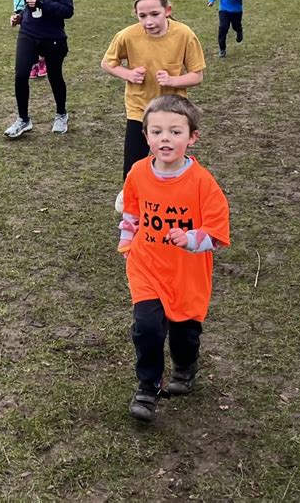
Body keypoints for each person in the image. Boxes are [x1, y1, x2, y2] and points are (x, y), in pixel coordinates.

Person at [117, 95, 230, 422]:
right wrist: (127, 241)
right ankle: (148, 387)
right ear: (146, 136)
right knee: (148, 327)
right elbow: (132, 210)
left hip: (187, 272)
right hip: (147, 265)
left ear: (192, 137)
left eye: (175, 132)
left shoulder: (202, 183)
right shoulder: (138, 171)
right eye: (157, 132)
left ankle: (185, 367)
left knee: (184, 332)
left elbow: (218, 231)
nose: (165, 138)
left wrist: (192, 238)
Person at [100, 0, 206, 212]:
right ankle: (132, 205)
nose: (149, 22)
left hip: (172, 111)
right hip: (140, 109)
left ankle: (167, 201)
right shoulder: (127, 35)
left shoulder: (185, 34)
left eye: (155, 14)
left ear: (167, 10)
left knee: (169, 159)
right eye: (142, 16)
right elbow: (107, 63)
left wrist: (172, 81)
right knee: (134, 163)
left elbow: (197, 76)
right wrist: (127, 73)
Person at [4, 0, 74, 139]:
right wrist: (19, 15)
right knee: (20, 75)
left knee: (54, 76)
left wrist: (42, 2)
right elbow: (28, 4)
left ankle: (61, 113)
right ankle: (23, 119)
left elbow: (68, 11)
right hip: (28, 33)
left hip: (52, 36)